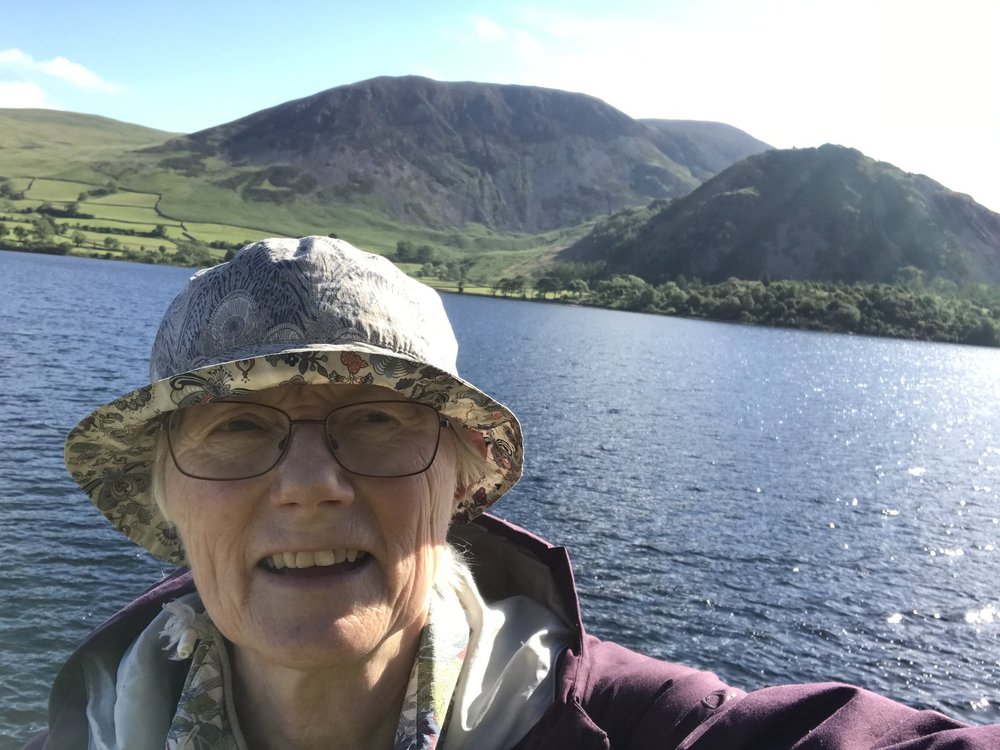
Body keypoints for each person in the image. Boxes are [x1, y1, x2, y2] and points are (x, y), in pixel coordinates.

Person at [28, 236, 1000, 749]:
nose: (313, 485)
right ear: (166, 496)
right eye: (237, 426)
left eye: (377, 420)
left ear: (460, 483)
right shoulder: (80, 730)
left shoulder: (628, 728)